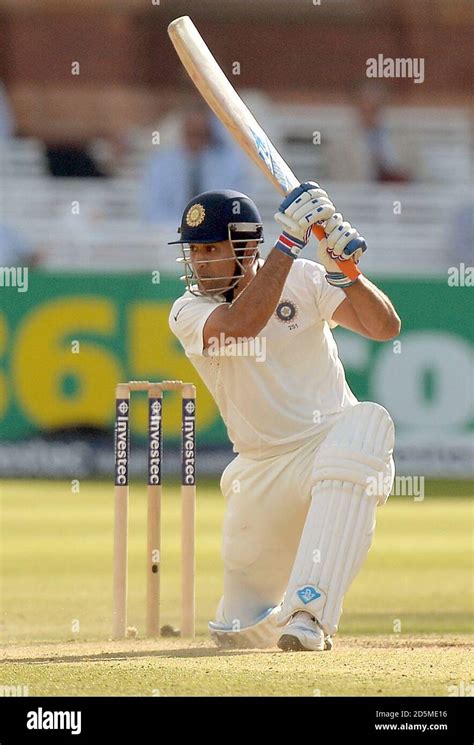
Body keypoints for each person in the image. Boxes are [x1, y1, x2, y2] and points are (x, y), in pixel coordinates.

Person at [169, 184, 401, 651]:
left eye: (212, 249)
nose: (200, 262)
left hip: (329, 440)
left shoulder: (306, 279)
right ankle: (273, 618)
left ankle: (309, 614)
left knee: (368, 424)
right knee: (238, 633)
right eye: (195, 251)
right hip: (261, 469)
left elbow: (384, 327)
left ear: (247, 247)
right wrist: (290, 244)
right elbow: (241, 324)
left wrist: (346, 271)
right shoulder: (188, 311)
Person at [143, 104, 249, 224]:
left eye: (201, 134)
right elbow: (154, 208)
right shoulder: (161, 164)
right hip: (168, 233)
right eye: (191, 133)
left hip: (215, 232)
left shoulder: (230, 164)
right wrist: (183, 229)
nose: (195, 140)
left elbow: (234, 206)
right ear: (183, 132)